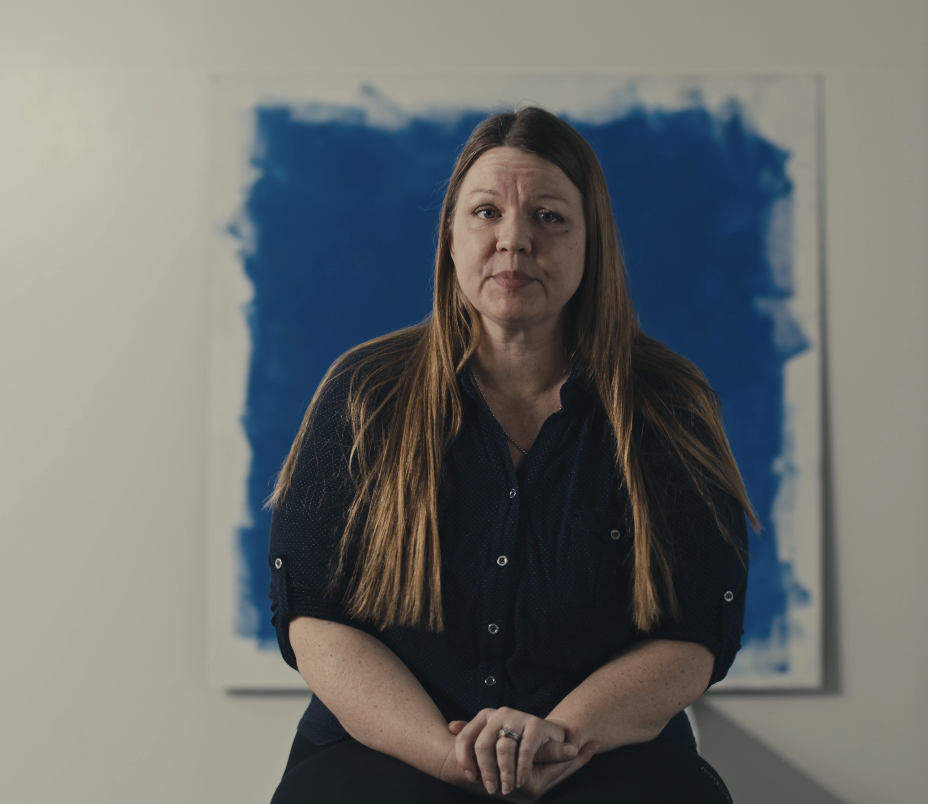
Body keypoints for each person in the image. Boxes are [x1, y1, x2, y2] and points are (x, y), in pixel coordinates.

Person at [266, 106, 757, 803]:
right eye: (486, 212)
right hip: (391, 748)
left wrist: (556, 735)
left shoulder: (668, 404)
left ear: (591, 241)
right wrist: (447, 756)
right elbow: (315, 619)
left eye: (549, 217)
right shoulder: (363, 394)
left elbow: (696, 629)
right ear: (450, 235)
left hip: (600, 749)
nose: (514, 239)